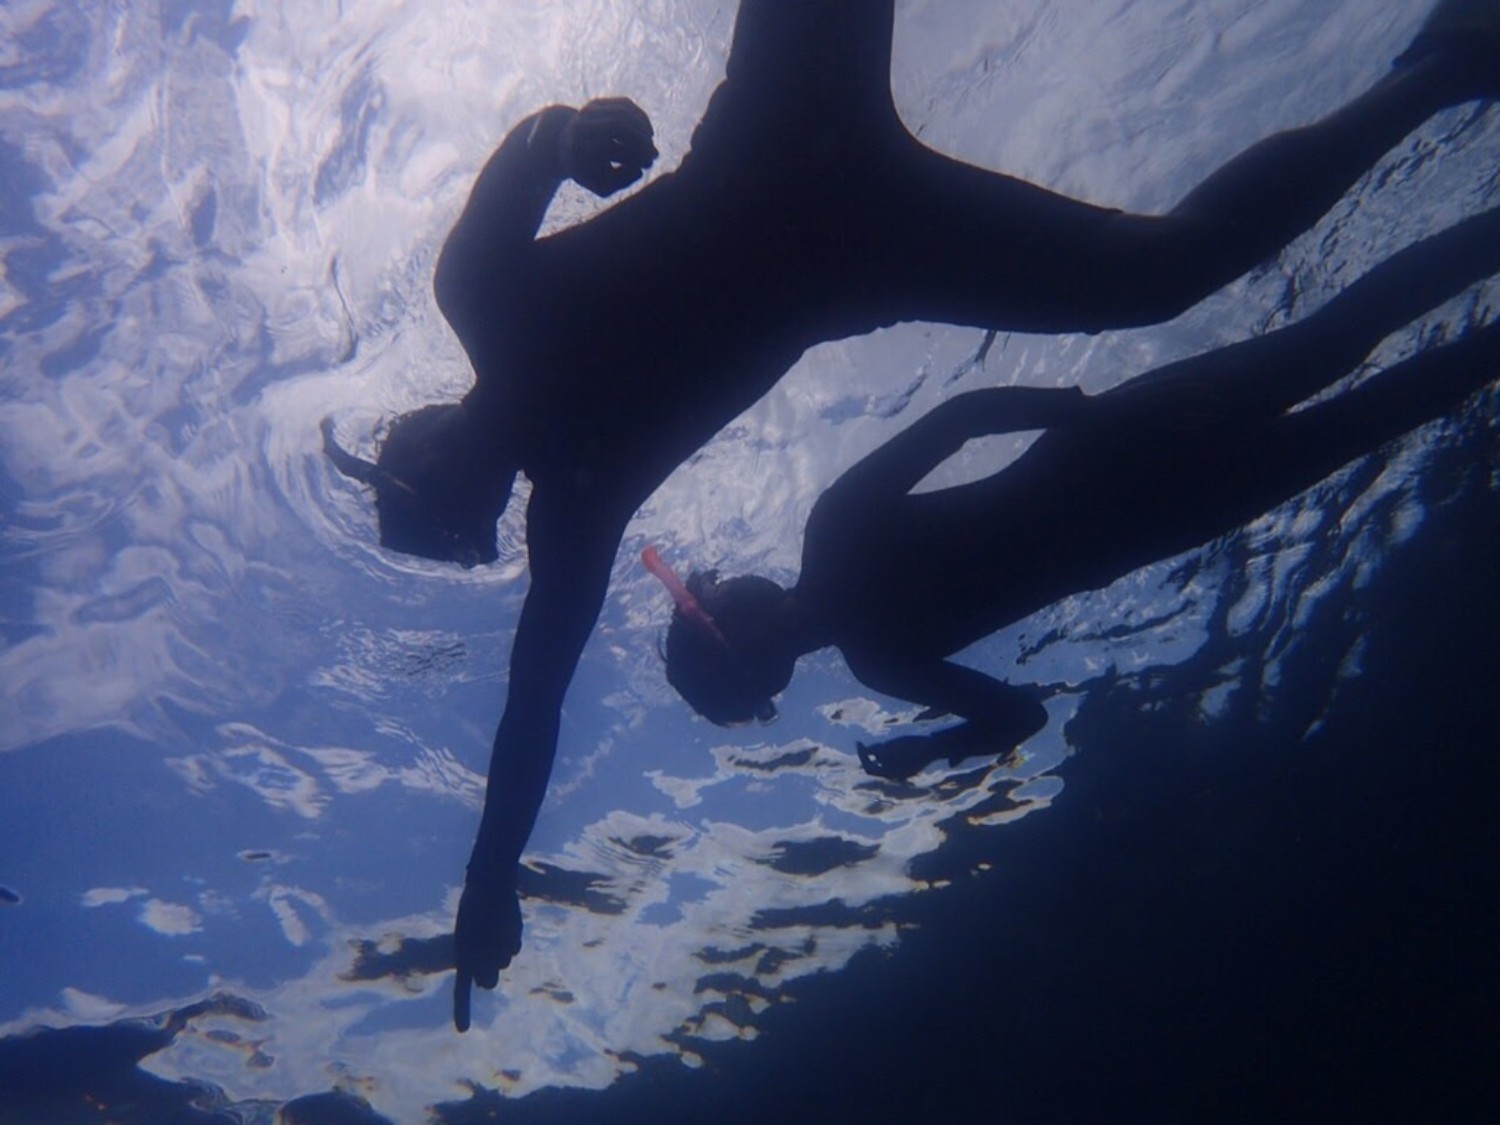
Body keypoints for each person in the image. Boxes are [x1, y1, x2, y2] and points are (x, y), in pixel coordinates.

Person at [321, 0, 1500, 1031]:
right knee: (1163, 274)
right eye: (444, 526)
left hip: (787, 142)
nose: (452, 495)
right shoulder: (575, 514)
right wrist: (489, 879)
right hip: (861, 238)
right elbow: (532, 706)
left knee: (1176, 278)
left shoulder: (481, 302)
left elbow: (524, 153)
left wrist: (569, 136)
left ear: (412, 438)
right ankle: (1443, 68)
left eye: (415, 492)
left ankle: (1442, 70)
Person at [656, 204, 1500, 782]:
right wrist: (1078, 410)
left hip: (1160, 518)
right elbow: (960, 418)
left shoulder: (885, 661)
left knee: (1385, 406)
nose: (720, 578)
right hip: (1121, 444)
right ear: (738, 627)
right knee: (1342, 335)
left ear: (766, 680)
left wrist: (936, 752)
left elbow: (1017, 717)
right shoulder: (834, 531)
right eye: (714, 594)